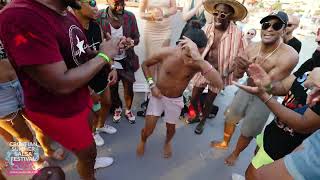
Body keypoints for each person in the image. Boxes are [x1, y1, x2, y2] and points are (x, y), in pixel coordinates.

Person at [0, 0, 121, 178]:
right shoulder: (20, 16)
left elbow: (75, 54)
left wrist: (107, 50)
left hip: (78, 96)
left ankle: (89, 164)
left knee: (89, 146)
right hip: (59, 110)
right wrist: (104, 56)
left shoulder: (64, 10)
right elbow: (60, 83)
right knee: (87, 154)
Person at [211, 11, 299, 166]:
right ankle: (225, 142)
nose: (270, 29)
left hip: (265, 96)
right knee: (231, 117)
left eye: (276, 25)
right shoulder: (252, 47)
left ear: (284, 30)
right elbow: (238, 75)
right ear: (262, 28)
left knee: (249, 129)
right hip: (247, 87)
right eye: (266, 25)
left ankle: (236, 153)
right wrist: (240, 67)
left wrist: (255, 72)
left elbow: (271, 85)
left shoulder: (289, 55)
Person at [240, 29, 320, 179]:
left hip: (286, 147)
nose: (317, 38)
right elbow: (284, 87)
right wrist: (266, 85)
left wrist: (263, 96)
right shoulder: (311, 62)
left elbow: (304, 124)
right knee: (256, 155)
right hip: (273, 130)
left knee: (252, 174)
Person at [136, 24, 223, 158]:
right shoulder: (165, 53)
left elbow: (219, 84)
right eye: (188, 55)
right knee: (148, 129)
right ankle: (143, 140)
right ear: (181, 45)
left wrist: (199, 59)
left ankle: (167, 142)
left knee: (171, 130)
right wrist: (152, 85)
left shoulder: (197, 62)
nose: (190, 60)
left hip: (175, 100)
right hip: (158, 96)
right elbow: (145, 64)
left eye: (194, 55)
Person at [188, 0, 248, 135]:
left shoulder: (238, 34)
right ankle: (196, 115)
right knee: (194, 97)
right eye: (216, 13)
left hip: (220, 73)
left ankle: (202, 120)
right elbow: (197, 45)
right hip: (202, 70)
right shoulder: (207, 27)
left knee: (209, 101)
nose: (219, 16)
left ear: (230, 16)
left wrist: (227, 72)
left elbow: (242, 57)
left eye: (223, 14)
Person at [72, 0, 118, 147]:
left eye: (96, 2)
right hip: (84, 81)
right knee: (93, 112)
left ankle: (100, 126)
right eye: (91, 3)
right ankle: (92, 132)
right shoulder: (71, 30)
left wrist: (113, 68)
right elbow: (70, 66)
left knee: (107, 103)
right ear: (78, 5)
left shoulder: (96, 26)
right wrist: (89, 90)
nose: (96, 7)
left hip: (101, 74)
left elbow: (104, 50)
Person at [97, 0, 140, 124]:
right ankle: (117, 108)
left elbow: (136, 38)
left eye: (122, 3)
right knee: (113, 89)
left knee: (129, 88)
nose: (120, 6)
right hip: (109, 61)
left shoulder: (130, 16)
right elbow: (98, 40)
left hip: (127, 60)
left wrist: (131, 42)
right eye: (116, 3)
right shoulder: (100, 16)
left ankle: (128, 109)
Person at [139, 0, 177, 80]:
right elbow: (141, 13)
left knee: (162, 61)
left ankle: (160, 88)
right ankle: (151, 88)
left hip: (165, 30)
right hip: (151, 31)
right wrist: (151, 16)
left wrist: (163, 12)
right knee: (151, 63)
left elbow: (174, 9)